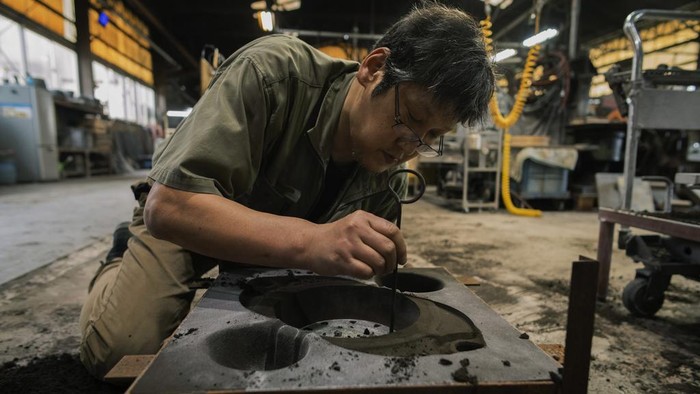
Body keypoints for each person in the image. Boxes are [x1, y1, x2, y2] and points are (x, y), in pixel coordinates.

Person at [79, 2, 495, 379]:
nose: (410, 147)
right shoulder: (272, 72)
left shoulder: (385, 165)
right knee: (120, 350)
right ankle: (119, 258)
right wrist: (311, 240)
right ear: (374, 68)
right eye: (411, 119)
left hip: (272, 253)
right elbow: (168, 208)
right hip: (193, 220)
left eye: (431, 136)